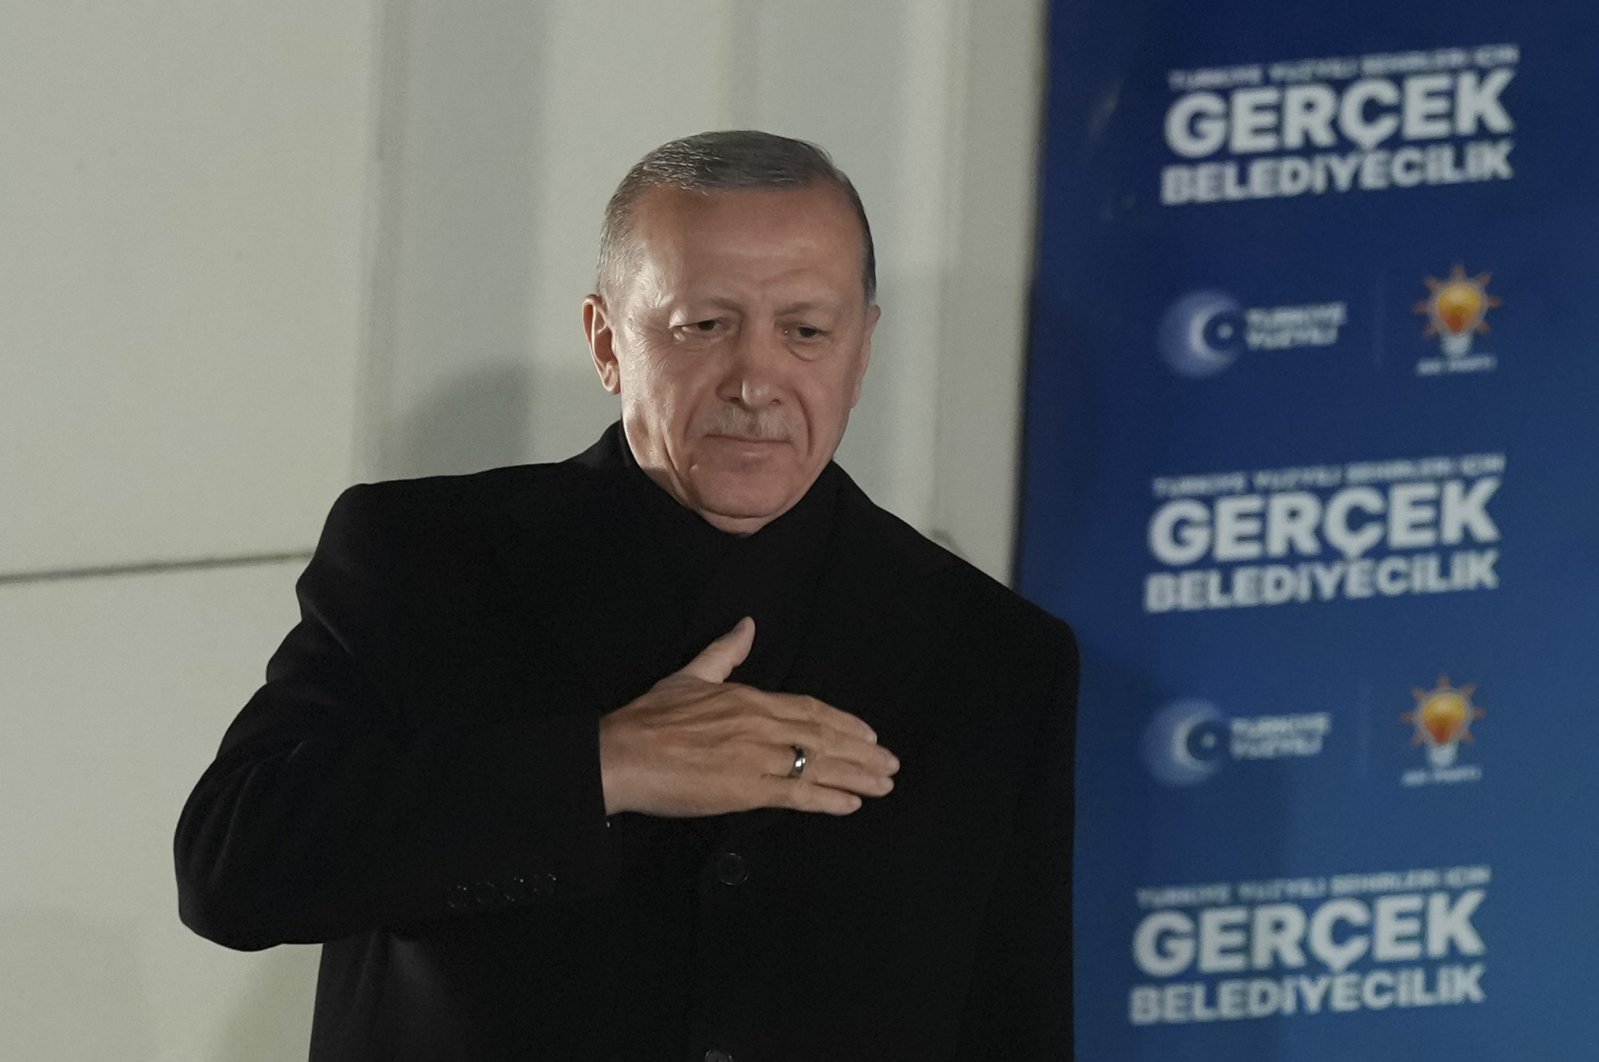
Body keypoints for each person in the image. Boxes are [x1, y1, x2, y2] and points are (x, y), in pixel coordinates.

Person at [176, 130, 1077, 1061]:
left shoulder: (995, 652)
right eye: (704, 326)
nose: (755, 382)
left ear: (861, 353)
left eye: (805, 331)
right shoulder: (428, 558)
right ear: (606, 342)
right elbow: (233, 870)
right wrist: (605, 767)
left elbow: (1014, 1019)